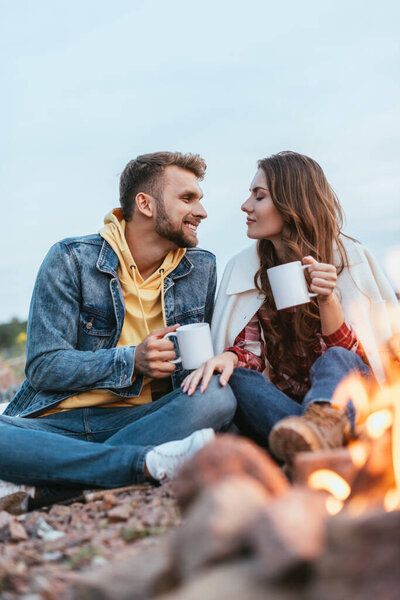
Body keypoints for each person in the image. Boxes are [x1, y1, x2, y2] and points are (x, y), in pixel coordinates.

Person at [0, 152, 236, 504]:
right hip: (54, 424)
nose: (201, 212)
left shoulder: (201, 269)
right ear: (145, 203)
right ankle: (142, 464)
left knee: (218, 396)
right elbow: (43, 366)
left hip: (143, 421)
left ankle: (53, 483)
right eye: (187, 198)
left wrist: (228, 357)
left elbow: (206, 360)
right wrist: (131, 361)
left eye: (199, 200)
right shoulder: (71, 259)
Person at [182, 151, 397, 466]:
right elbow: (251, 354)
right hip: (282, 404)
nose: (246, 206)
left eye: (259, 197)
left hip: (350, 401)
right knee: (236, 378)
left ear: (291, 203)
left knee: (338, 358)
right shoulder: (246, 267)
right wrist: (229, 356)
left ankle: (313, 435)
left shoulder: (351, 258)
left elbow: (366, 363)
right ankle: (317, 443)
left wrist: (328, 300)